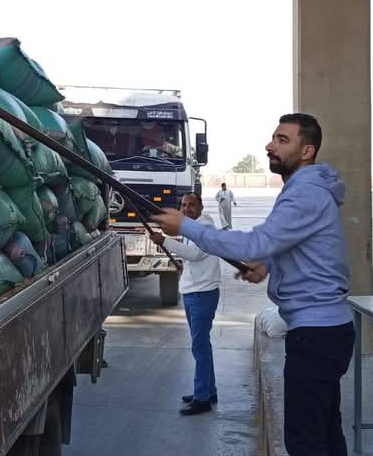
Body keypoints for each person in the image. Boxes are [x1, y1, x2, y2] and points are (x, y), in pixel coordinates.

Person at [151, 113, 353, 456]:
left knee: (306, 442)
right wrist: (268, 264)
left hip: (316, 334)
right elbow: (291, 242)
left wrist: (185, 226)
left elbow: (252, 243)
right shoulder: (307, 190)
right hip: (326, 331)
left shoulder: (305, 193)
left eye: (282, 140)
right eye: (273, 137)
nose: (270, 145)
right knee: (325, 435)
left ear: (307, 152)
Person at [148, 193, 220, 416]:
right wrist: (183, 265)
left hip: (202, 294)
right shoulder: (192, 228)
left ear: (201, 207)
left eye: (191, 205)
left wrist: (165, 241)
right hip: (194, 292)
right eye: (183, 205)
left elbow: (195, 254)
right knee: (203, 345)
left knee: (199, 346)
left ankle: (202, 399)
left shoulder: (205, 227)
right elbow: (192, 258)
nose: (186, 209)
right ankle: (208, 390)